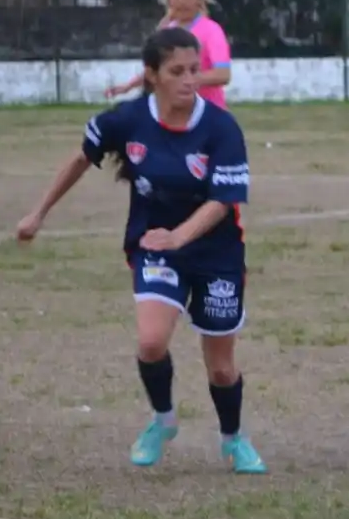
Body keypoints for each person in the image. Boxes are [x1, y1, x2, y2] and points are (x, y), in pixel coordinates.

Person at [17, 26, 266, 474]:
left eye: (194, 70)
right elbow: (81, 157)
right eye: (177, 71)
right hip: (155, 246)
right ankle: (163, 421)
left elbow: (223, 201)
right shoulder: (127, 120)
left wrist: (179, 236)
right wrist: (39, 213)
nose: (189, 80)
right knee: (151, 343)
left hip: (216, 253)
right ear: (152, 75)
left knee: (222, 369)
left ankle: (233, 439)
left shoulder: (221, 127)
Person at [106, 0, 233, 109]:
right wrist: (128, 86)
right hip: (174, 113)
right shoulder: (166, 30)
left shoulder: (211, 30)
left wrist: (186, 80)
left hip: (208, 112)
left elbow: (223, 75)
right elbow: (156, 69)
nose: (182, 1)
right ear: (169, 0)